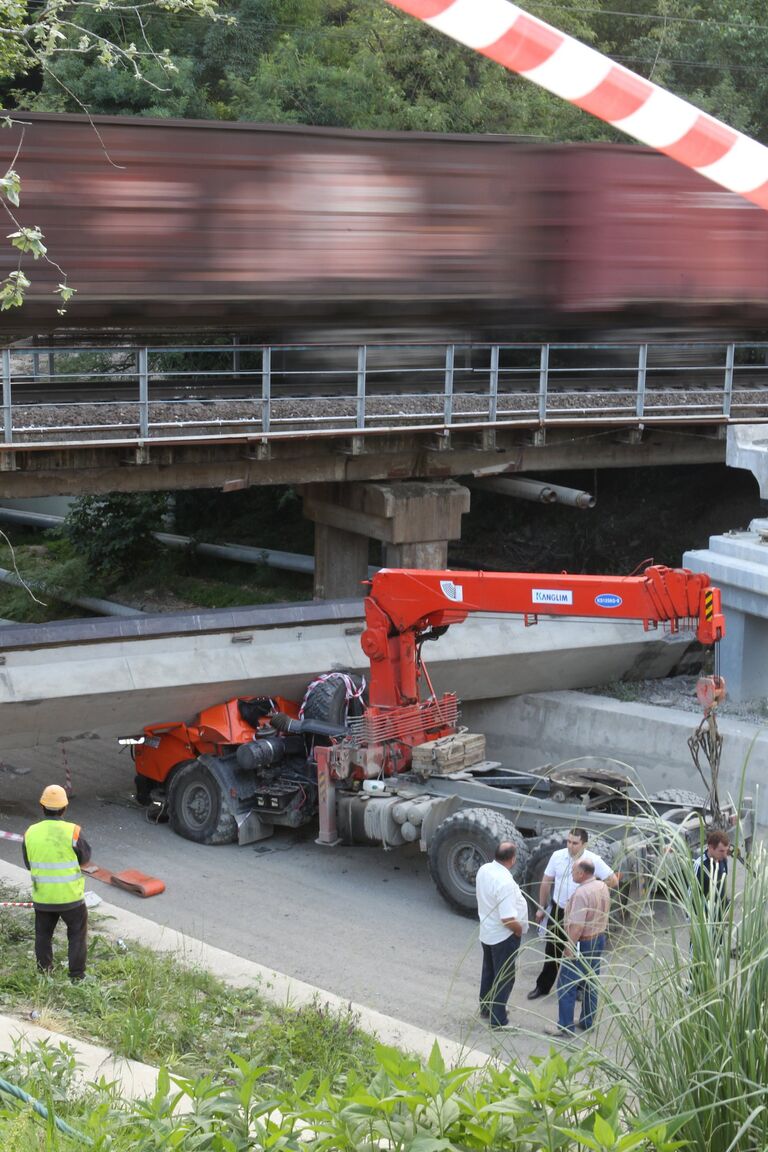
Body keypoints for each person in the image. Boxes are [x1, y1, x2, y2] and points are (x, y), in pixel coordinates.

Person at [527, 828, 617, 1001]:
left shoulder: (593, 860)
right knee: (552, 950)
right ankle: (543, 986)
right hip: (559, 911)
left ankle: (578, 989)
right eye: (568, 841)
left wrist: (594, 891)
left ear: (584, 844)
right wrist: (541, 907)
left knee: (579, 953)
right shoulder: (557, 856)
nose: (570, 846)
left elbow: (613, 880)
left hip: (581, 914)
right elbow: (546, 881)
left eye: (575, 843)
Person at [23, 785, 92, 981]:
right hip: (71, 898)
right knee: (77, 936)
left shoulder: (30, 833)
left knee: (43, 936)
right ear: (64, 808)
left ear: (42, 806)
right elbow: (85, 858)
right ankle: (77, 976)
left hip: (43, 897)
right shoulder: (73, 832)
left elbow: (29, 863)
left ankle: (44, 973)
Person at [544, 858, 610, 1036]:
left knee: (566, 983)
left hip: (582, 941)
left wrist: (569, 947)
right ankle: (587, 1021)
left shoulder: (581, 894)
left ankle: (565, 1026)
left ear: (582, 874)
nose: (571, 874)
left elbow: (577, 926)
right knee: (591, 980)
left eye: (573, 872)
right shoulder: (601, 886)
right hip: (598, 938)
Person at [476, 841, 528, 1030]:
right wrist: (519, 929)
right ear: (512, 859)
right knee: (504, 977)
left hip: (487, 931)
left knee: (489, 971)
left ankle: (486, 1007)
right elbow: (507, 918)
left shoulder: (484, 869)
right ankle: (498, 1020)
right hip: (503, 935)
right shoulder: (505, 882)